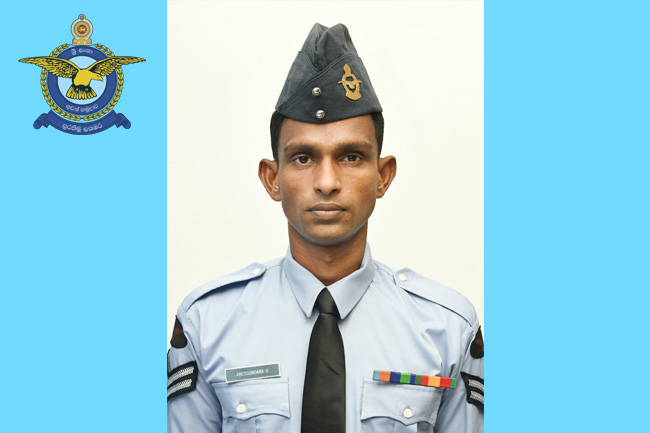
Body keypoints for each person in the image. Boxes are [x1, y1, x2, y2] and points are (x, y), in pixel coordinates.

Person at [167, 23, 484, 433]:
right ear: (272, 178)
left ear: (383, 176)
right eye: (302, 158)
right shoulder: (207, 324)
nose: (328, 181)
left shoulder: (447, 328)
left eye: (351, 156)